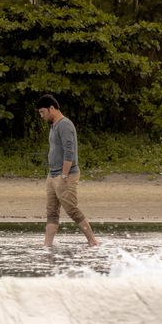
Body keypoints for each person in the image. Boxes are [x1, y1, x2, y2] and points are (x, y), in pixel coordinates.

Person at [36, 94, 99, 247]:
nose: (42, 116)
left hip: (65, 175)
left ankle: (93, 241)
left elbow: (69, 151)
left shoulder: (65, 124)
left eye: (43, 112)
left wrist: (64, 174)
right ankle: (47, 245)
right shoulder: (53, 125)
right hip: (52, 175)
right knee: (51, 212)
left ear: (52, 108)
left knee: (71, 209)